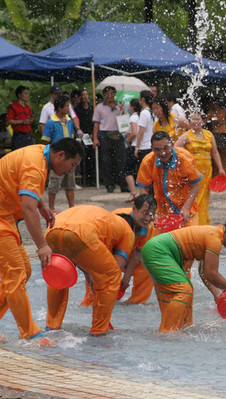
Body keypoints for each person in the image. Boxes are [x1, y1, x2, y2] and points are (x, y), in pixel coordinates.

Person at [0, 138, 83, 344]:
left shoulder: (40, 155)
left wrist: (42, 206)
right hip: (2, 218)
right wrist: (42, 246)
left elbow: (28, 193)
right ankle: (31, 334)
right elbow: (27, 207)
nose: (71, 171)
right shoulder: (36, 165)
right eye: (72, 165)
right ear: (60, 155)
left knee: (24, 271)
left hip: (6, 217)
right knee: (16, 274)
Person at [140, 216, 226, 332]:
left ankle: (176, 332)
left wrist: (216, 294)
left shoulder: (214, 234)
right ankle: (166, 333)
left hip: (156, 249)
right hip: (158, 251)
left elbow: (203, 271)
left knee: (181, 301)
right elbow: (211, 274)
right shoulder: (215, 239)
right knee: (184, 290)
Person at [45, 205, 135, 336]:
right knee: (112, 276)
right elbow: (115, 267)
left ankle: (52, 326)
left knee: (59, 274)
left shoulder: (106, 221)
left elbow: (90, 263)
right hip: (82, 233)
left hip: (53, 228)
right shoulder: (128, 231)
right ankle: (100, 330)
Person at [136, 131, 201, 226]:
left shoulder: (185, 159)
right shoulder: (148, 161)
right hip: (162, 212)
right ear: (151, 148)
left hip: (188, 210)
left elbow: (195, 187)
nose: (162, 153)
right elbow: (143, 189)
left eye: (165, 148)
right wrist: (150, 211)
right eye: (157, 149)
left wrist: (186, 208)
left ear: (172, 145)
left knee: (191, 239)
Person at [174, 112, 226, 225]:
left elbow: (215, 152)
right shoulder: (186, 135)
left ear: (203, 121)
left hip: (207, 170)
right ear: (189, 122)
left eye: (198, 119)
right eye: (193, 119)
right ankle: (194, 222)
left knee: (204, 198)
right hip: (193, 171)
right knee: (195, 197)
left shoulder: (209, 135)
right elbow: (175, 149)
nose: (196, 121)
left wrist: (220, 168)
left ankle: (203, 222)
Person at [113, 195, 158, 304]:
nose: (148, 218)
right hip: (109, 255)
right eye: (145, 213)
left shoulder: (149, 227)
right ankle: (91, 301)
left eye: (152, 214)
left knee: (151, 263)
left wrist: (125, 280)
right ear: (134, 209)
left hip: (128, 255)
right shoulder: (118, 217)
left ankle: (136, 302)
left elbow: (137, 255)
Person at [41, 94, 77, 213]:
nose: (68, 108)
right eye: (67, 106)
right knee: (54, 184)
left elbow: (71, 137)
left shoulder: (69, 121)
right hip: (57, 158)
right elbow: (45, 141)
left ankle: (71, 207)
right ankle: (51, 207)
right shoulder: (51, 123)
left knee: (70, 183)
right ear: (60, 108)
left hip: (69, 157)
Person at [92, 86, 127, 193]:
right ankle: (109, 185)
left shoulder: (119, 106)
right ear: (104, 95)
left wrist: (123, 111)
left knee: (121, 160)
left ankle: (123, 184)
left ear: (115, 94)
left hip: (117, 134)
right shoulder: (99, 107)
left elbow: (124, 122)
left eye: (112, 93)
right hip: (105, 134)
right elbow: (96, 123)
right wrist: (95, 138)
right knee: (106, 161)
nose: (110, 95)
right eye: (107, 93)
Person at [74, 88, 96, 185]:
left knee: (92, 157)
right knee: (82, 156)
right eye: (83, 95)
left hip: (91, 134)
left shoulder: (93, 108)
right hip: (81, 134)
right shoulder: (77, 109)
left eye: (86, 94)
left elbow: (95, 122)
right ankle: (83, 179)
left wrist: (93, 134)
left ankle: (92, 179)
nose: (85, 97)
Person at [124, 99, 142, 202]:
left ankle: (133, 192)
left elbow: (135, 133)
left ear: (132, 107)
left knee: (128, 170)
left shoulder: (133, 117)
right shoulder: (143, 115)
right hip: (143, 146)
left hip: (134, 146)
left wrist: (129, 139)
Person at [6, 85, 34, 150]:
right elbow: (9, 121)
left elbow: (30, 118)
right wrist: (22, 121)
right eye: (25, 93)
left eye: (28, 93)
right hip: (19, 135)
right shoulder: (13, 107)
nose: (27, 95)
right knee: (18, 155)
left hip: (28, 135)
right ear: (19, 95)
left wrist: (30, 120)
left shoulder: (27, 107)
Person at [207, 98, 226, 175]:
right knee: (217, 153)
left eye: (216, 103)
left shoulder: (224, 111)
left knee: (225, 153)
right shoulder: (211, 113)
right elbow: (206, 121)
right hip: (216, 133)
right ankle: (217, 173)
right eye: (213, 103)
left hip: (224, 133)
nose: (214, 104)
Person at [134, 90, 154, 161]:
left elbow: (141, 132)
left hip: (144, 146)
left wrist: (137, 147)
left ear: (142, 99)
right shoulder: (152, 112)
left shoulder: (144, 113)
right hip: (151, 145)